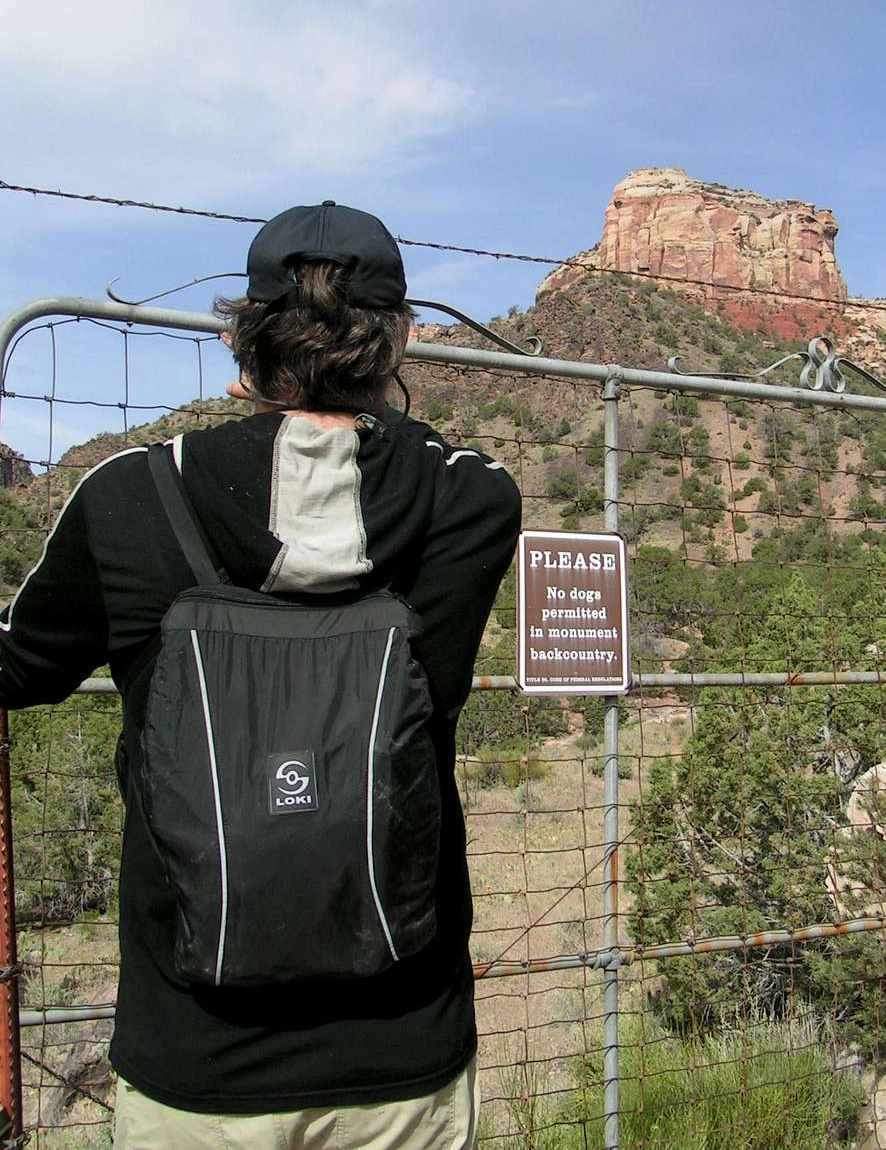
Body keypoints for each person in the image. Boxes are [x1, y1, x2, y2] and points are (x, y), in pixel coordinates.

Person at [0, 201, 522, 1148]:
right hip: (402, 1053)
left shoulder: (127, 497)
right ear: (397, 338)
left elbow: (18, 666)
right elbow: (428, 460)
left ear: (243, 342)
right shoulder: (472, 501)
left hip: (197, 1063)